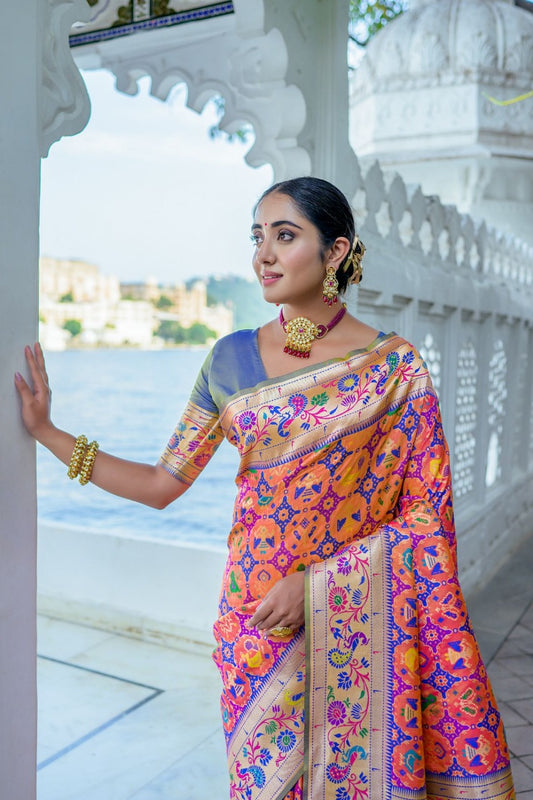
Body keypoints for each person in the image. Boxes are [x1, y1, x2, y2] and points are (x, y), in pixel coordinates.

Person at [16, 177, 514, 800]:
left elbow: (425, 520)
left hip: (352, 624)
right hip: (254, 628)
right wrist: (51, 434)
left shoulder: (397, 370)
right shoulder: (229, 360)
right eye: (257, 237)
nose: (264, 255)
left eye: (285, 235)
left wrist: (316, 585)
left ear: (335, 253)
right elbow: (161, 483)